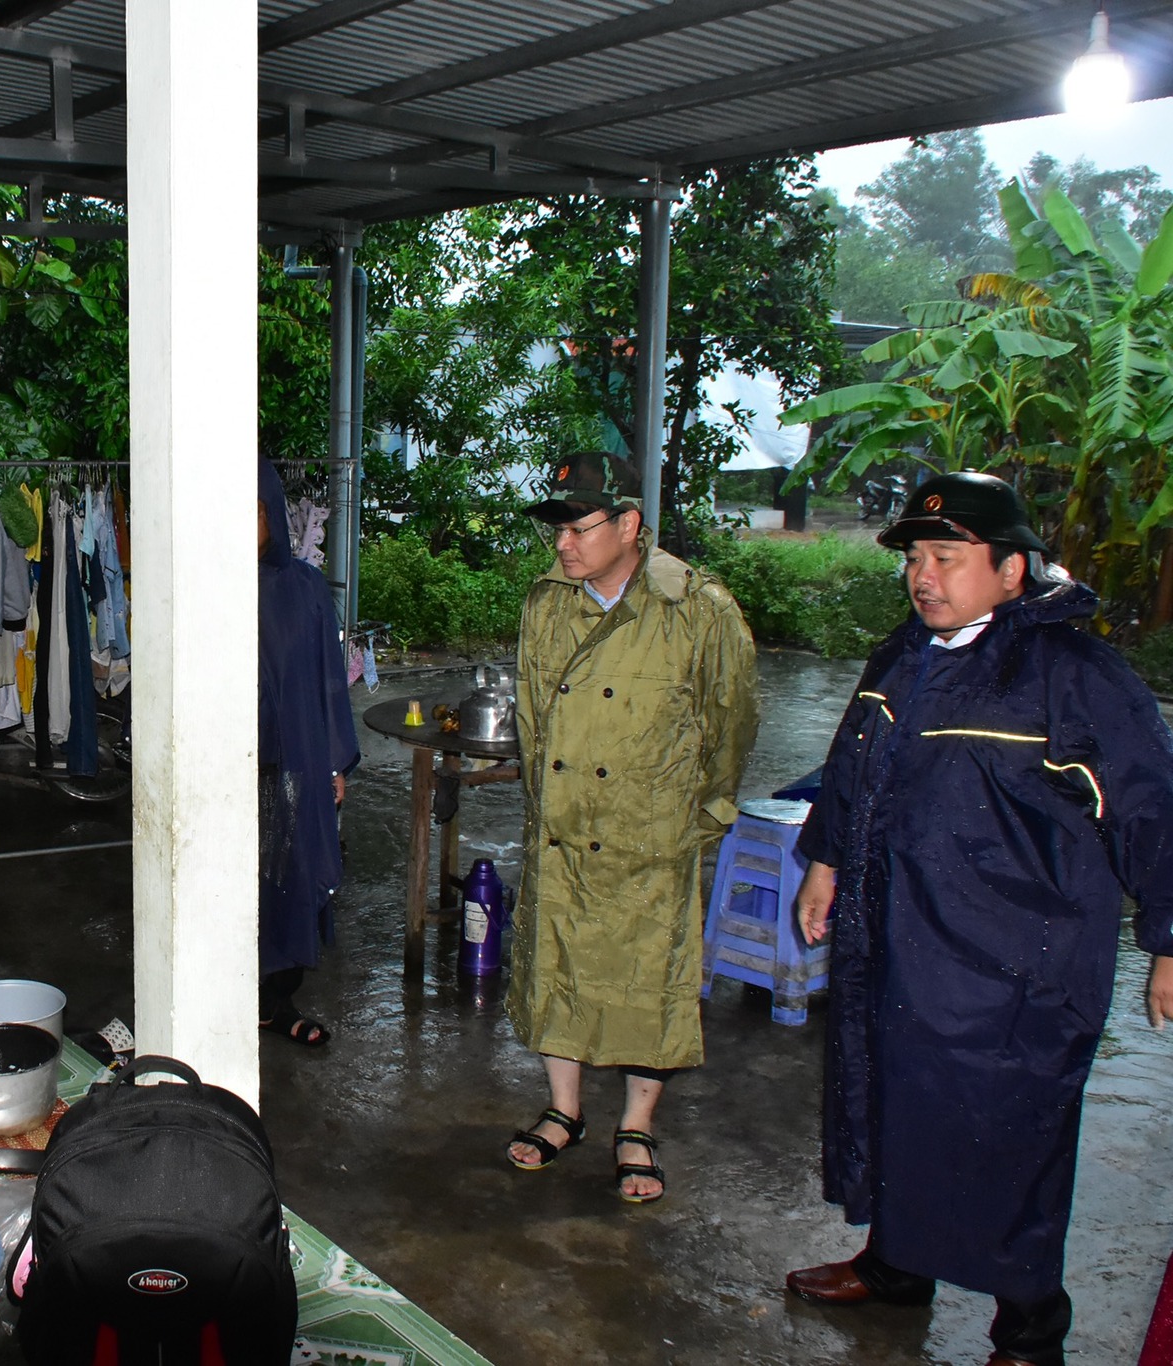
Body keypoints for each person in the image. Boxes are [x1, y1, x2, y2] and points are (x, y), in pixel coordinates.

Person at [784, 472, 1173, 1366]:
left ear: (1011, 568)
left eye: (946, 558)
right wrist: (826, 866)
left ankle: (1030, 1326)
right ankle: (895, 1268)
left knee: (1009, 1133)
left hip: (1018, 961)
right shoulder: (902, 656)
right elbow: (848, 768)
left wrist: (1167, 939)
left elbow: (1153, 809)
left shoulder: (1074, 677)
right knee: (891, 1099)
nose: (924, 576)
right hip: (897, 937)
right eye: (916, 559)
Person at [503, 452, 758, 1202]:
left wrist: (701, 814)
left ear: (629, 525)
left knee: (649, 980)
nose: (563, 545)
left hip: (650, 831)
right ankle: (564, 1109)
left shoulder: (697, 607)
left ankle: (638, 1125)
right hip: (564, 825)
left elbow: (731, 723)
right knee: (558, 963)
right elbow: (530, 714)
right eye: (557, 530)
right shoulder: (547, 604)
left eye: (578, 528)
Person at [257, 457, 360, 1046]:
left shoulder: (305, 587)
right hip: (223, 770)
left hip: (292, 763)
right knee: (230, 884)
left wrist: (332, 763)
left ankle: (277, 1002)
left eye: (257, 513)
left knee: (288, 881)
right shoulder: (204, 588)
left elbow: (327, 681)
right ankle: (227, 1001)